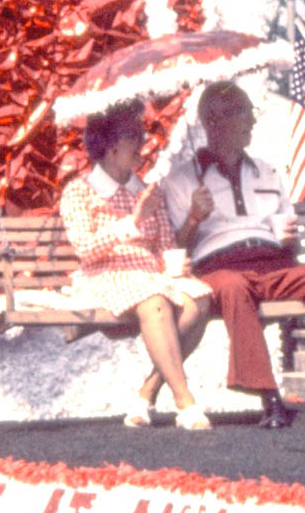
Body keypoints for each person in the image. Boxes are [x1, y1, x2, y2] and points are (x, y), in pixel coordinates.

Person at [161, 80, 305, 428]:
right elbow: (175, 249)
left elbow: (290, 238)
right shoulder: (181, 180)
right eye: (245, 114)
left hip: (274, 263)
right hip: (219, 269)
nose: (252, 123)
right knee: (233, 288)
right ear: (214, 122)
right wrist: (195, 218)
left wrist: (289, 238)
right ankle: (269, 398)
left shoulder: (267, 171)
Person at [60, 99, 213, 430]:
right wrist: (133, 221)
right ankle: (185, 402)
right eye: (133, 135)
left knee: (199, 298)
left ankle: (146, 393)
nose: (142, 142)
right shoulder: (79, 191)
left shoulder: (145, 191)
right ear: (111, 145)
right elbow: (86, 249)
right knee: (155, 300)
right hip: (105, 273)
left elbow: (166, 247)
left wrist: (192, 222)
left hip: (150, 276)